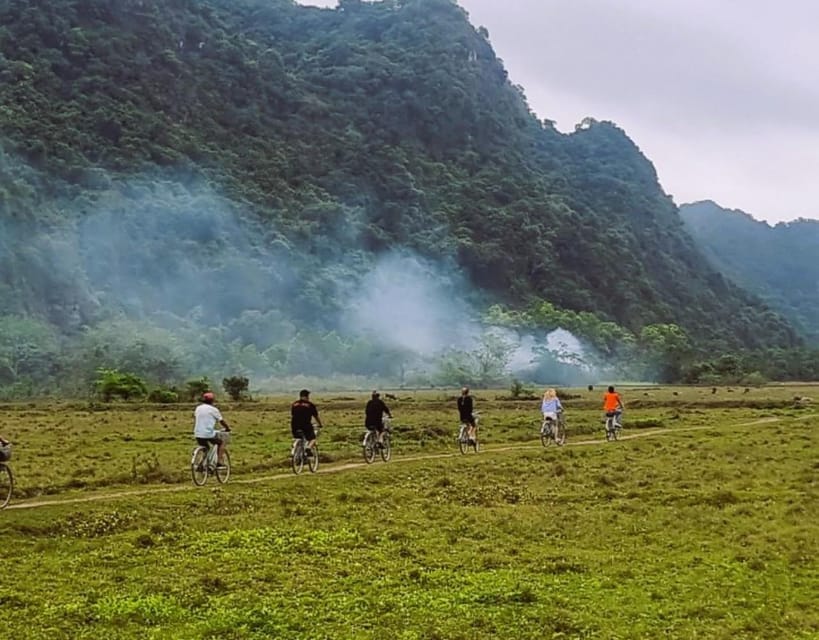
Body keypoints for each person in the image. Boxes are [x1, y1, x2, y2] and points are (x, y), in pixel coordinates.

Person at [193, 391, 231, 467]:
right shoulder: (214, 410)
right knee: (221, 442)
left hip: (197, 434)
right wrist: (227, 428)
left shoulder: (198, 408)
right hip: (208, 434)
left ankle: (202, 465)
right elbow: (221, 421)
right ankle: (219, 461)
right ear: (212, 400)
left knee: (207, 448)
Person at [291, 389, 323, 454]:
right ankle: (308, 448)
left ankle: (297, 450)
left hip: (294, 425)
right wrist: (320, 424)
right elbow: (315, 416)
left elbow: (293, 414)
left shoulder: (294, 404)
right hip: (305, 425)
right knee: (312, 439)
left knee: (298, 437)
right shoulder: (310, 405)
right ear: (307, 396)